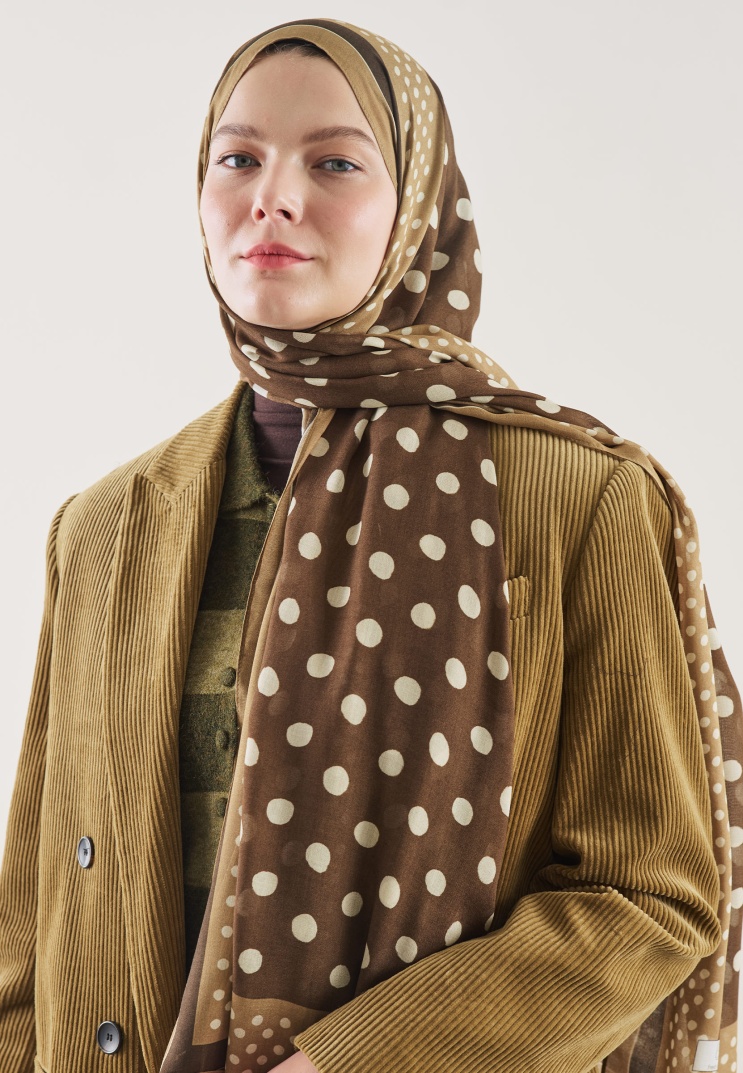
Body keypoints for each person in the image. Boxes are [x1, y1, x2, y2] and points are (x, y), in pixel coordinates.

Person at [0, 17, 740, 1073]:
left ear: (419, 208)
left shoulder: (576, 497)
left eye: (334, 162)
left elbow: (648, 899)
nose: (273, 197)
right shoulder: (104, 526)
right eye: (237, 158)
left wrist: (352, 1061)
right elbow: (30, 935)